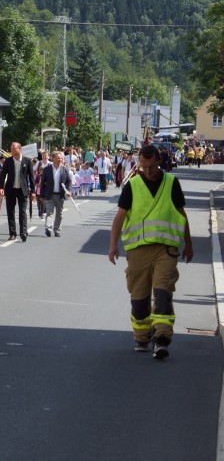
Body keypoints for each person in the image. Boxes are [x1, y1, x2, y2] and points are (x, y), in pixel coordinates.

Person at [108, 144, 193, 359]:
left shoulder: (171, 183)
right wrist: (112, 245)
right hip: (138, 251)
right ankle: (142, 336)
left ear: (159, 162)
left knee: (163, 293)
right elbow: (119, 217)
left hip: (166, 249)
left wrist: (189, 243)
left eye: (152, 166)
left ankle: (162, 338)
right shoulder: (133, 185)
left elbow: (181, 214)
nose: (148, 171)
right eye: (144, 167)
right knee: (139, 298)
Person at [0, 141, 36, 242]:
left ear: (19, 149)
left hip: (22, 190)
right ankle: (12, 233)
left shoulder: (27, 161)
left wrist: (33, 191)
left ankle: (23, 232)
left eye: (13, 148)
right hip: (10, 189)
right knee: (10, 211)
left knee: (22, 212)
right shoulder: (8, 161)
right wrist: (1, 187)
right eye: (11, 148)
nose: (11, 150)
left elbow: (31, 177)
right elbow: (3, 175)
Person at [39, 151, 73, 237]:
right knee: (49, 212)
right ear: (53, 159)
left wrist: (69, 191)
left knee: (59, 214)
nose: (60, 160)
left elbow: (69, 181)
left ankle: (57, 230)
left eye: (61, 158)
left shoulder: (64, 169)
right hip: (50, 195)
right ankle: (48, 228)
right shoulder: (47, 169)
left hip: (60, 195)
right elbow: (43, 183)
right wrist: (41, 195)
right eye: (58, 158)